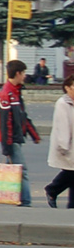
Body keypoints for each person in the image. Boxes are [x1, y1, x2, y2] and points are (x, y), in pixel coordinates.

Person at [0, 59, 40, 206]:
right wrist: (7, 145)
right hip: (11, 139)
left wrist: (34, 134)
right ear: (18, 73)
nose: (24, 76)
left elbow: (23, 117)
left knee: (11, 170)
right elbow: (5, 123)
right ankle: (26, 202)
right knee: (21, 171)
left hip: (16, 137)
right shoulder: (6, 94)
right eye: (23, 73)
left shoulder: (16, 92)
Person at [45, 73, 74, 208]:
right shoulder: (63, 104)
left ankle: (71, 205)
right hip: (67, 146)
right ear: (67, 88)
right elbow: (62, 127)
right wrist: (64, 147)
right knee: (71, 173)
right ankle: (52, 189)